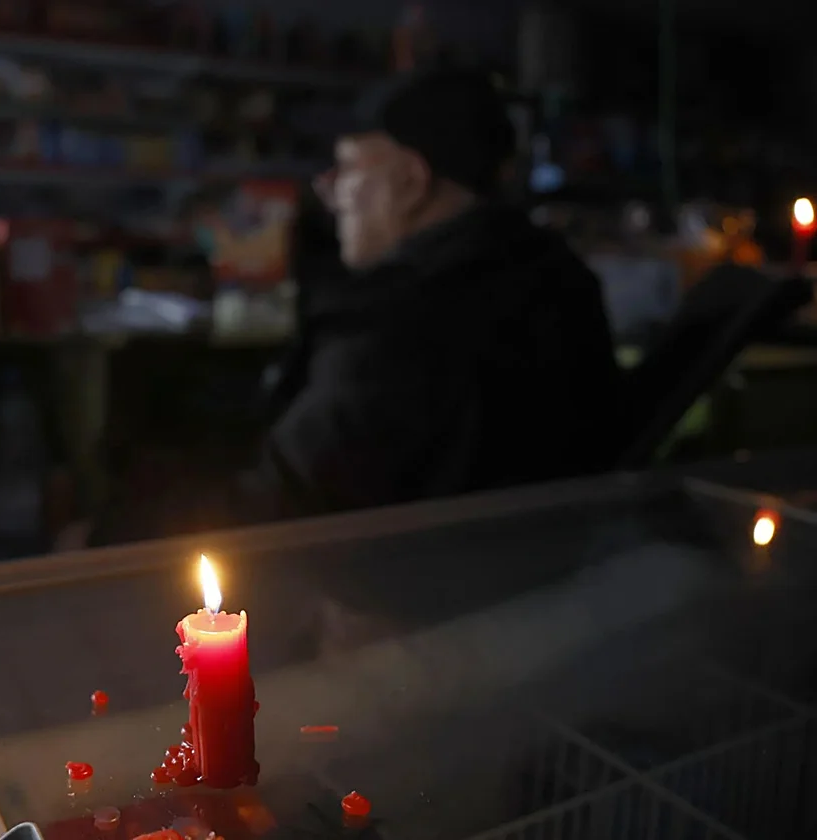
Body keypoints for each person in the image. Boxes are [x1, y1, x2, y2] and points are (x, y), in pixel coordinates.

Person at [66, 66, 624, 549]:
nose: (328, 188)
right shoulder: (562, 278)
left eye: (349, 167)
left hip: (411, 605)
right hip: (538, 582)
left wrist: (106, 539)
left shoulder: (398, 318)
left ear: (410, 181)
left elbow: (284, 504)